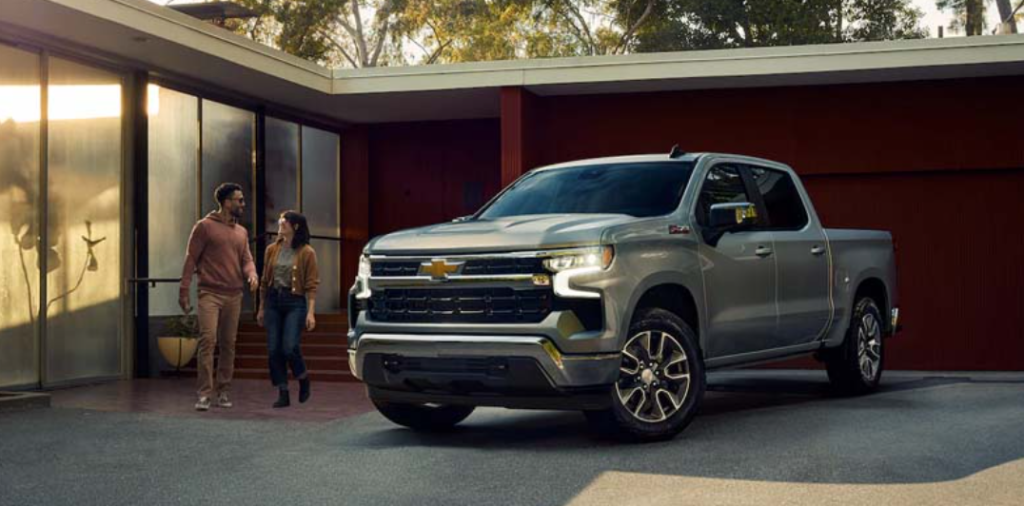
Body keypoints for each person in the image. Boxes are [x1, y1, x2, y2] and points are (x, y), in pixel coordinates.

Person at [180, 182, 258, 411]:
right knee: (208, 340)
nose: (243, 204)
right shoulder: (204, 227)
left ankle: (223, 391)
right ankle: (204, 394)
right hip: (209, 294)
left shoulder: (241, 232)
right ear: (226, 202)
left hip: (234, 295)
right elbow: (190, 258)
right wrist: (183, 290)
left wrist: (252, 274)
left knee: (228, 344)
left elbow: (247, 259)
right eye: (239, 200)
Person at [257, 210, 319, 408]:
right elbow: (265, 282)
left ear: (296, 227)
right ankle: (283, 392)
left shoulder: (307, 252)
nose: (281, 223)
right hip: (274, 301)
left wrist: (310, 312)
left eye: (285, 221)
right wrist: (261, 308)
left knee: (289, 346)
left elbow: (311, 285)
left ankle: (303, 378)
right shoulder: (271, 250)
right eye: (280, 221)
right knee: (274, 349)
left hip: (295, 303)